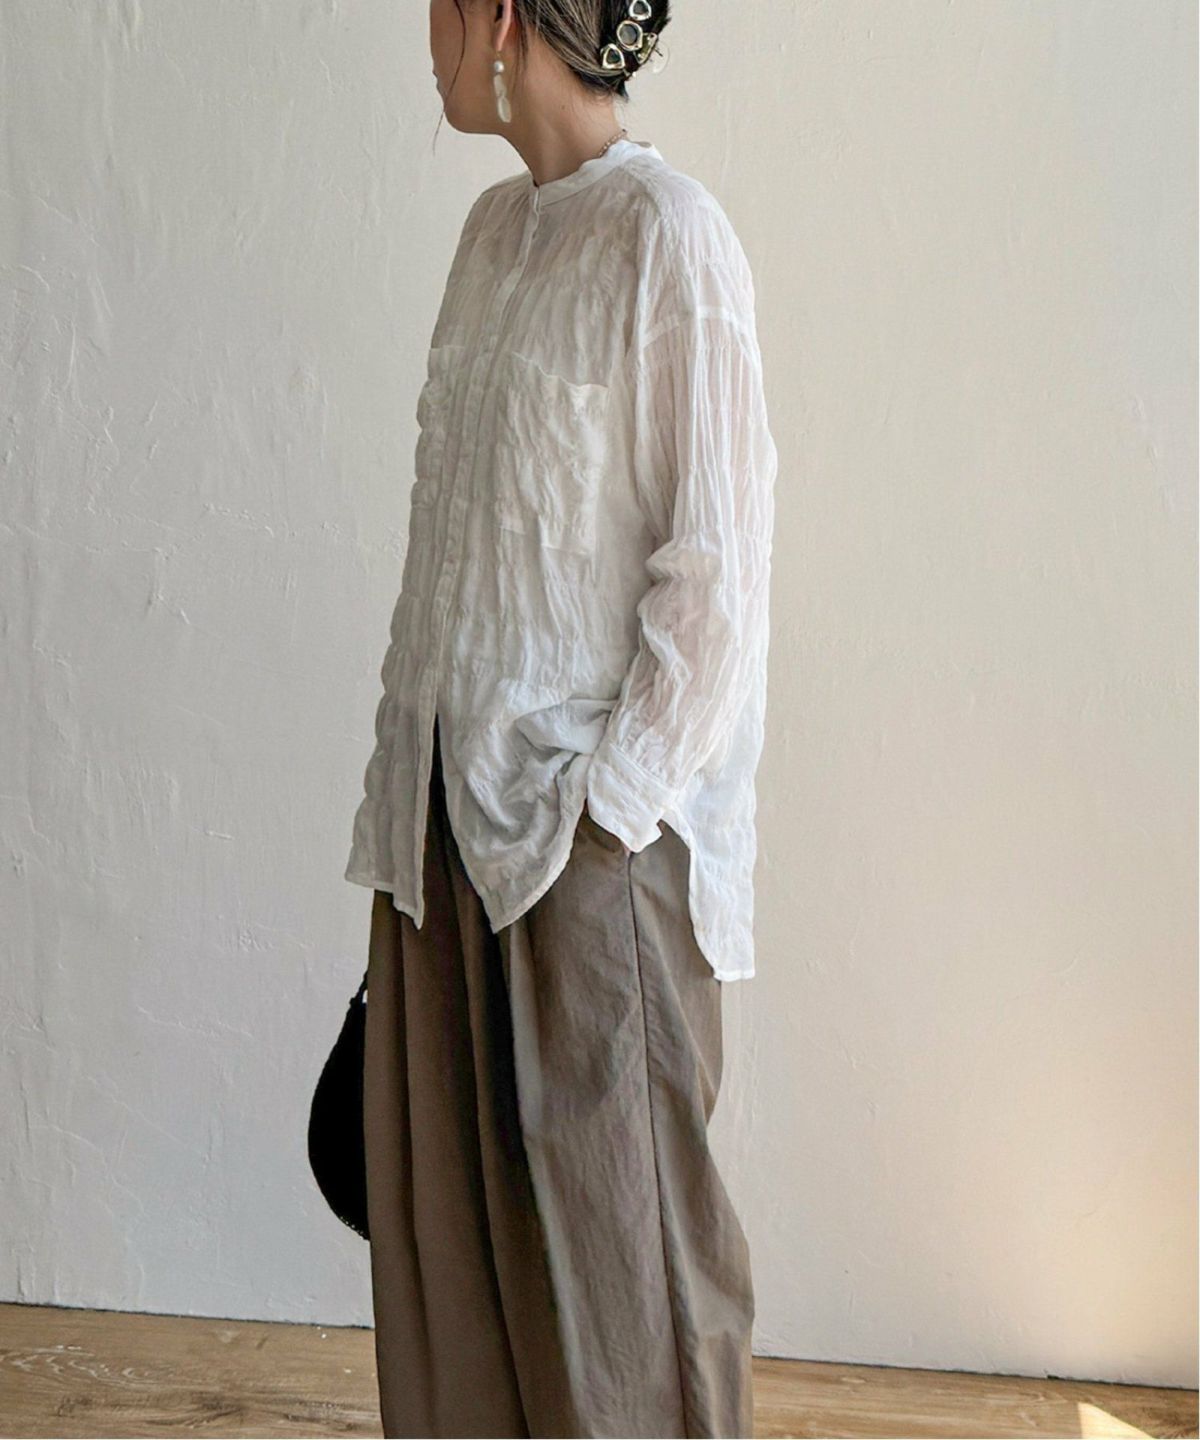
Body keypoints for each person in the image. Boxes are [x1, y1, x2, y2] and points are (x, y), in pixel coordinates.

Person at [344, 1, 777, 1434]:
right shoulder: (492, 236)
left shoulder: (671, 236)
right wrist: (409, 798)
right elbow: (453, 549)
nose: (426, 32)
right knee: (458, 1288)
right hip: (442, 836)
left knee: (628, 1300)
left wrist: (605, 818)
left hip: (587, 854)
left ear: (504, 19)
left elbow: (717, 581)